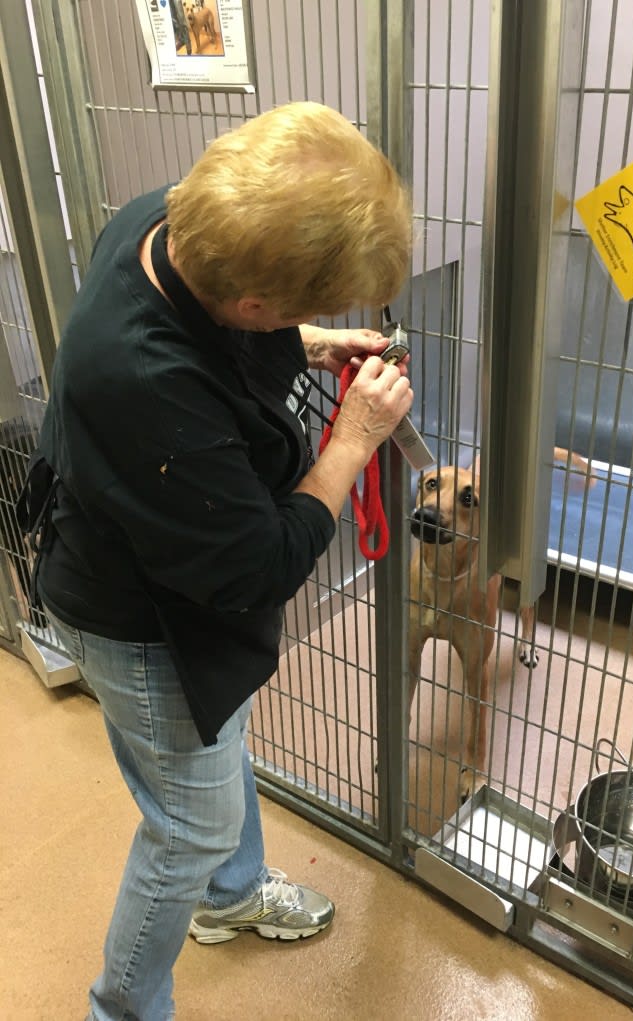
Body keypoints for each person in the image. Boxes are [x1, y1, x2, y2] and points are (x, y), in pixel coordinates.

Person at [19, 101, 413, 1021]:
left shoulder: (169, 215)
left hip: (141, 552)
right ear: (254, 307)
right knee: (186, 826)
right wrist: (353, 438)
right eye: (306, 313)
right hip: (133, 616)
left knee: (209, 741)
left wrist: (310, 342)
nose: (310, 325)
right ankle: (120, 1008)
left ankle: (232, 900)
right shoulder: (149, 381)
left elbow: (220, 333)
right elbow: (260, 563)